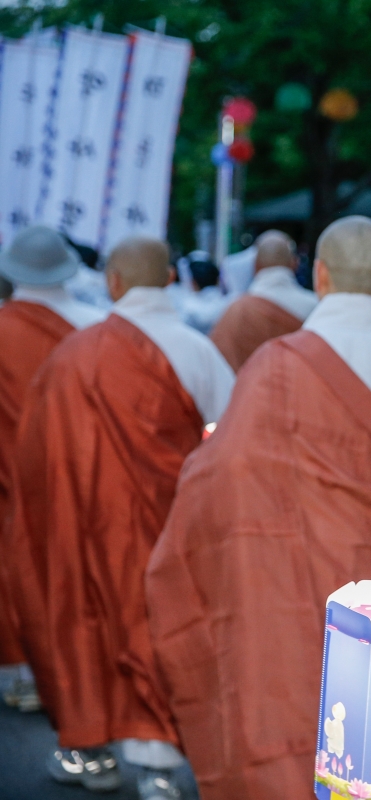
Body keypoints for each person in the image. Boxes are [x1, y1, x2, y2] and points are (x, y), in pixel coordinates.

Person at [145, 216, 371, 800]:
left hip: (279, 588)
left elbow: (216, 481)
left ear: (322, 276)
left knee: (286, 733)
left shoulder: (269, 366)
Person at [4, 235, 233, 800]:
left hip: (84, 523)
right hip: (171, 525)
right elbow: (231, 443)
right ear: (171, 280)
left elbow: (36, 452)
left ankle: (91, 753)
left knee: (87, 625)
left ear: (112, 282)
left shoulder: (75, 353)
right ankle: (161, 767)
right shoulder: (196, 349)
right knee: (161, 629)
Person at [0, 226, 107, 714]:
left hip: (12, 473)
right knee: (83, 569)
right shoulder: (98, 326)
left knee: (14, 564)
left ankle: (23, 674)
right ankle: (86, 671)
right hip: (85, 472)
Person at [209, 230, 318, 371]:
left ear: (255, 266)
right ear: (294, 264)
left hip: (247, 392)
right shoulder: (315, 307)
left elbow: (217, 366)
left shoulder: (236, 311)